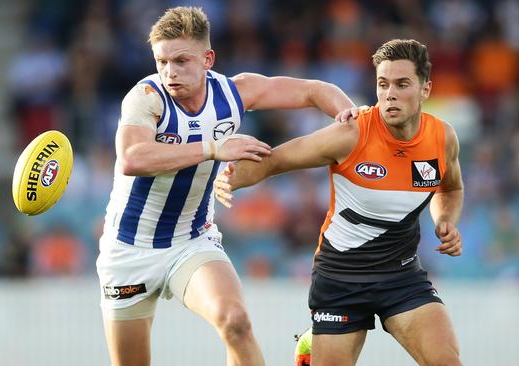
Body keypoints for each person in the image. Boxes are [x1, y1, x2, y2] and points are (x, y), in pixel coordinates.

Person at [95, 7, 355, 366]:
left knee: (236, 323)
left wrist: (348, 116)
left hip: (191, 241)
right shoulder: (145, 98)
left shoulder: (234, 92)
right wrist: (213, 149)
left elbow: (313, 90)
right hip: (128, 251)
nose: (170, 72)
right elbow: (132, 158)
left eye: (181, 60)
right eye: (162, 62)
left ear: (207, 58)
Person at [214, 39, 464, 366]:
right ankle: (314, 342)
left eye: (402, 84)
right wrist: (229, 176)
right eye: (383, 84)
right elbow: (275, 161)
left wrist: (445, 220)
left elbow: (451, 188)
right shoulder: (351, 134)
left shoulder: (442, 138)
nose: (390, 93)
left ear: (425, 89)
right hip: (341, 278)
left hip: (402, 277)